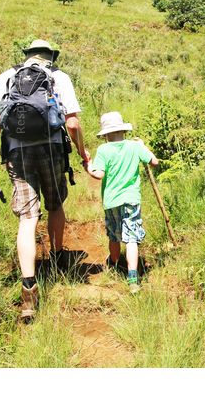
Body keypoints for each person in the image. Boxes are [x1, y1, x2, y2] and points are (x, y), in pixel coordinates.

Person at [0, 39, 90, 321]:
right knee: (54, 204)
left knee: (27, 218)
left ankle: (29, 288)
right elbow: (73, 123)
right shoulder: (58, 77)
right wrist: (83, 153)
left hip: (16, 151)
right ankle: (57, 257)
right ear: (50, 57)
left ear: (27, 56)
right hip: (51, 149)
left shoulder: (6, 76)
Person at [85, 111, 158, 293]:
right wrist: (143, 146)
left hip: (112, 202)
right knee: (131, 238)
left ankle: (115, 263)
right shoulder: (134, 147)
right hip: (132, 200)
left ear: (106, 134)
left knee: (114, 235)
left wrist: (88, 167)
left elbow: (99, 174)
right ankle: (133, 278)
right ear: (123, 131)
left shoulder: (103, 150)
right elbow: (154, 161)